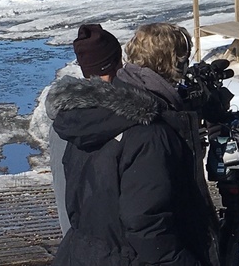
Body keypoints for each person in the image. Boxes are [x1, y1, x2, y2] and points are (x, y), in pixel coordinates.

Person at [47, 22, 218, 265]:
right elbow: (148, 225)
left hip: (83, 253)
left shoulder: (93, 111)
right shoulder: (150, 132)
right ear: (177, 65)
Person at [47, 23, 123, 236]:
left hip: (76, 241)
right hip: (115, 247)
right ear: (118, 63)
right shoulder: (119, 118)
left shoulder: (62, 121)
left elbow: (63, 192)